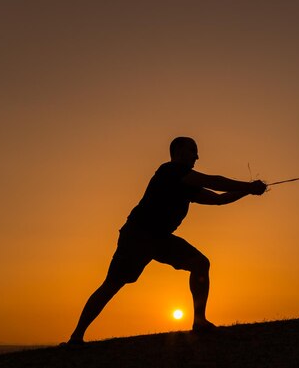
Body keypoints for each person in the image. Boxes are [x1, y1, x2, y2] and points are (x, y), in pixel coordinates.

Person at [65, 136, 267, 344]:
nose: (197, 156)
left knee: (200, 263)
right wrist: (248, 186)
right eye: (192, 150)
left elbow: (218, 200)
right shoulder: (170, 170)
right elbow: (212, 181)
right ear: (178, 151)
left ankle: (199, 321)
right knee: (112, 284)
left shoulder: (187, 184)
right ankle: (76, 336)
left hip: (160, 239)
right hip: (138, 235)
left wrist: (247, 191)